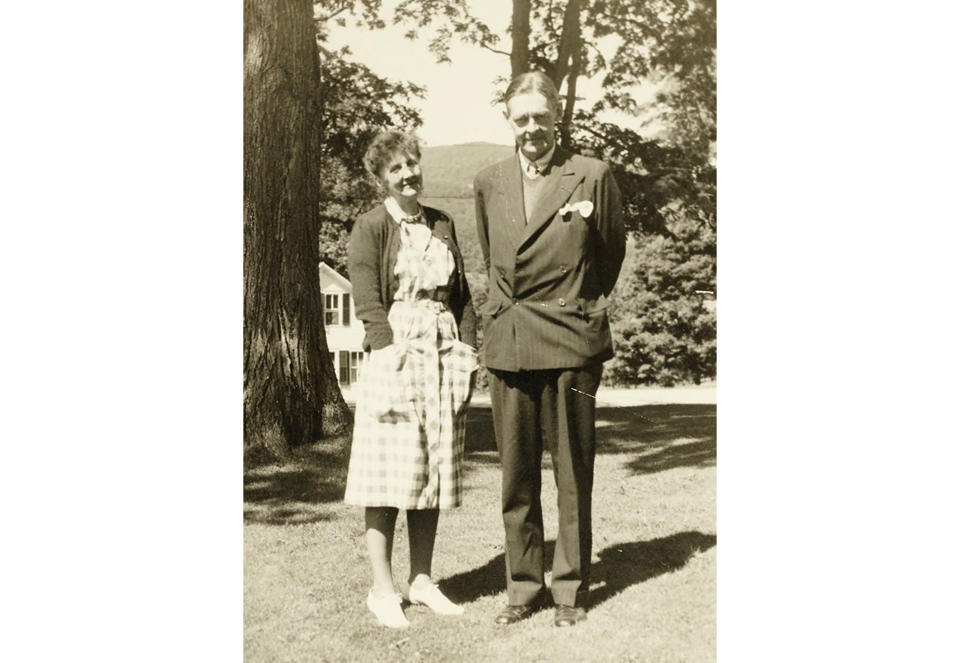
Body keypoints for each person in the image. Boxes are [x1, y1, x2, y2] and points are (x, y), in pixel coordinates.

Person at [473, 71, 626, 628]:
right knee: (516, 475)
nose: (532, 128)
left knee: (571, 472)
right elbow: (494, 256)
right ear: (508, 121)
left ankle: (569, 590)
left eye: (541, 116)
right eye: (522, 118)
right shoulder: (489, 180)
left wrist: (578, 304)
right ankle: (522, 586)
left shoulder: (591, 175)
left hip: (571, 341)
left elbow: (609, 257)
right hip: (510, 342)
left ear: (556, 114)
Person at [343, 130, 478, 629]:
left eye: (412, 164)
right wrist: (389, 352)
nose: (408, 175)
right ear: (381, 178)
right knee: (388, 474)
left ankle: (421, 581)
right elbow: (368, 301)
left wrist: (467, 347)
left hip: (442, 353)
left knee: (432, 470)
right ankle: (382, 590)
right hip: (396, 351)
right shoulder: (372, 226)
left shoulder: (442, 223)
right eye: (396, 169)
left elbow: (460, 294)